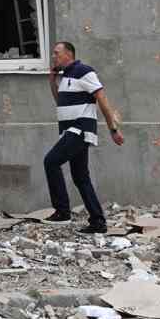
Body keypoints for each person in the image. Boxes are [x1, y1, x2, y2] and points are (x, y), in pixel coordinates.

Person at [44, 40, 124, 233]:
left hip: (80, 129)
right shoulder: (65, 77)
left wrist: (113, 128)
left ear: (68, 54)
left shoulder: (84, 71)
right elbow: (60, 102)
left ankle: (63, 212)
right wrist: (52, 81)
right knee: (81, 177)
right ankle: (98, 222)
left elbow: (102, 98)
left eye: (56, 53)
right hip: (69, 130)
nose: (53, 56)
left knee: (51, 161)